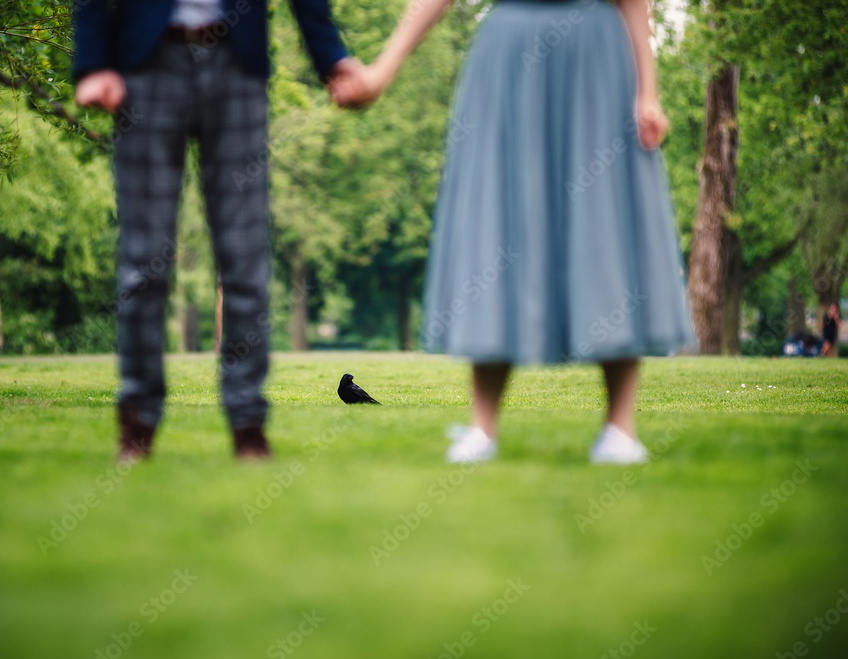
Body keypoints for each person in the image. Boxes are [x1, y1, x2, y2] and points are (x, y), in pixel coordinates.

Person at [331, 0, 694, 464]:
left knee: (605, 219)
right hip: (506, 55)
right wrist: (382, 70)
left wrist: (648, 90)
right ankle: (482, 428)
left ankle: (619, 429)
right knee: (495, 221)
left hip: (597, 54)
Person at [73, 0, 362, 461]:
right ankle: (138, 422)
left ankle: (249, 424)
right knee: (144, 264)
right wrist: (91, 61)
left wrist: (329, 56)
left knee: (245, 261)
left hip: (237, 62)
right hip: (144, 65)